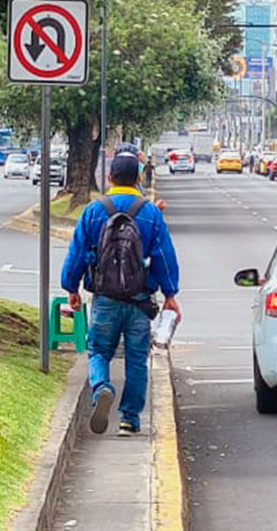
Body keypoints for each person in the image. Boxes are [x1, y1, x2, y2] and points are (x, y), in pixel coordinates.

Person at [61, 152, 181, 436]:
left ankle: (102, 387)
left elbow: (77, 252)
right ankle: (129, 419)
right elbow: (164, 256)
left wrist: (71, 288)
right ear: (139, 178)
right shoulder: (150, 213)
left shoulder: (94, 210)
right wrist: (170, 294)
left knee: (99, 351)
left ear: (110, 178)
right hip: (140, 303)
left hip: (104, 298)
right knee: (137, 358)